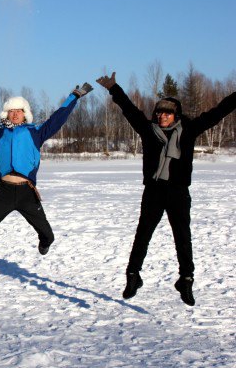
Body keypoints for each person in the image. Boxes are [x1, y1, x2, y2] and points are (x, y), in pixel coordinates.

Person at [96, 72, 236, 306]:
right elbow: (130, 110)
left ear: (176, 115)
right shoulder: (148, 130)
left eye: (167, 112)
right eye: (159, 112)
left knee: (183, 237)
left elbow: (219, 111)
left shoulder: (189, 130)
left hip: (179, 192)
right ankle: (133, 276)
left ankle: (186, 279)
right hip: (154, 191)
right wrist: (114, 88)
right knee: (143, 234)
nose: (162, 116)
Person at [0, 83, 93, 254]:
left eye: (19, 110)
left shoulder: (36, 133)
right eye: (11, 111)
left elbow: (58, 118)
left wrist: (74, 96)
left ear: (25, 114)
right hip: (4, 192)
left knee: (48, 235)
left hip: (27, 193)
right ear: (6, 114)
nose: (15, 114)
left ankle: (44, 243)